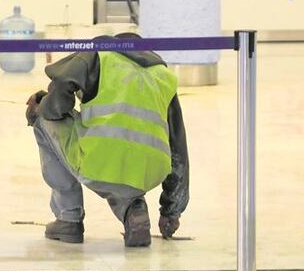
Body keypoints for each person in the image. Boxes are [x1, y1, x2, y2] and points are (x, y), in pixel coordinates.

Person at [25, 32, 189, 246]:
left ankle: (68, 217)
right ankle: (133, 208)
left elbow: (59, 95)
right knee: (124, 163)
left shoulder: (99, 55)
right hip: (147, 173)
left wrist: (43, 103)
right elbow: (178, 148)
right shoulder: (163, 75)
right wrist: (171, 211)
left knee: (41, 115)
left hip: (100, 162)